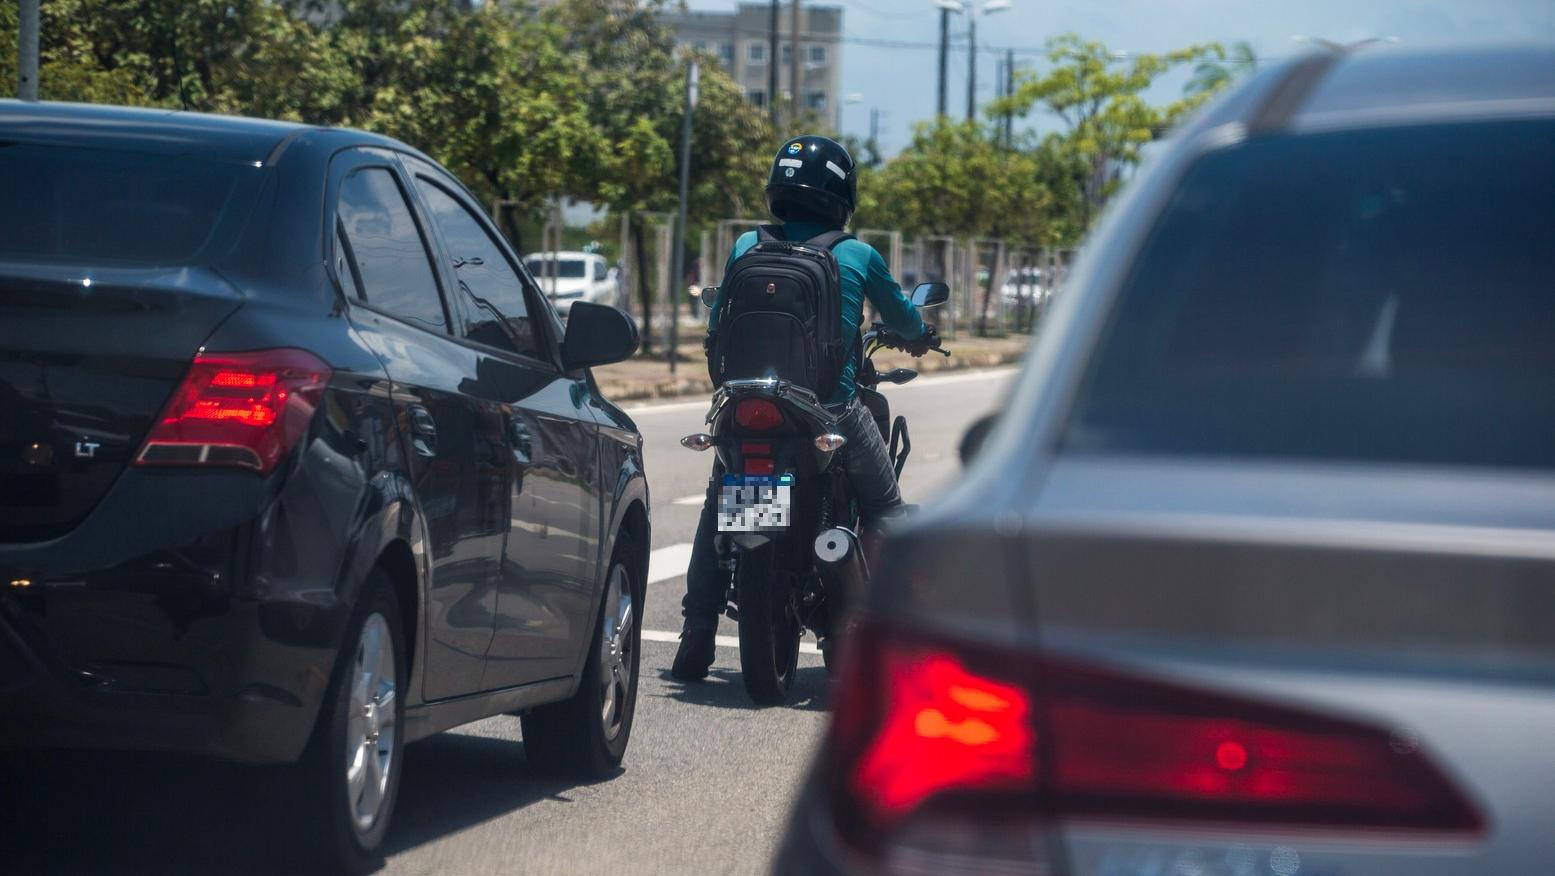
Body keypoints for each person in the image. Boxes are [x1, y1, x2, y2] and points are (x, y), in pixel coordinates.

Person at [672, 135, 938, 681]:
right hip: (829, 409)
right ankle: (881, 633)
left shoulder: (747, 244)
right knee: (885, 504)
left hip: (746, 403)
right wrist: (920, 333)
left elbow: (717, 318)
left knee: (722, 499)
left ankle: (696, 636)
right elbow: (905, 321)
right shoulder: (856, 254)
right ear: (842, 193)